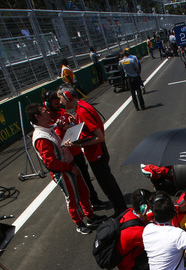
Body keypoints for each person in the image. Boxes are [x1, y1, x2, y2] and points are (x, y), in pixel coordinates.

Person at [26, 104, 104, 235]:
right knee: (72, 198)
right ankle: (79, 223)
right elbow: (50, 162)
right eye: (44, 111)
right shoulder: (41, 137)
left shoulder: (47, 128)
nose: (47, 112)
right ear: (37, 117)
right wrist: (69, 168)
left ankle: (90, 216)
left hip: (70, 165)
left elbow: (54, 128)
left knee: (83, 191)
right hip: (63, 171)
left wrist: (60, 126)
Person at [58, 85, 126, 216]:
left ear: (68, 96)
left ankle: (121, 211)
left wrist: (76, 145)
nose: (61, 102)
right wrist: (74, 125)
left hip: (97, 153)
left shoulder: (82, 111)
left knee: (107, 184)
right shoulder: (80, 108)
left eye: (61, 98)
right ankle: (120, 209)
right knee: (106, 183)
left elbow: (99, 137)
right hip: (95, 153)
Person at [43, 91, 105, 210]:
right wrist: (57, 127)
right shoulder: (47, 119)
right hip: (66, 155)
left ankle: (94, 200)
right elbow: (50, 136)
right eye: (56, 104)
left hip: (76, 149)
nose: (59, 105)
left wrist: (72, 123)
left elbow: (75, 125)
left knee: (86, 177)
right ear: (48, 105)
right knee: (76, 182)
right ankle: (85, 207)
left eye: (59, 102)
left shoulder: (63, 112)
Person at [116, 188, 151, 270]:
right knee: (163, 255)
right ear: (145, 209)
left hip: (128, 257)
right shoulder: (137, 232)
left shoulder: (130, 211)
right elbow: (160, 245)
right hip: (131, 266)